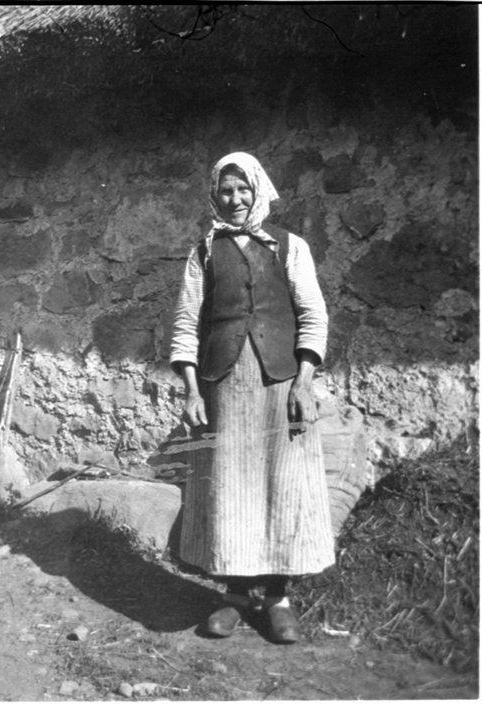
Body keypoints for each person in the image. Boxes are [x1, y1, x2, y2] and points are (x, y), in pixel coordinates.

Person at [169, 152, 334, 644]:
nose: (235, 199)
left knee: (282, 485)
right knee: (231, 487)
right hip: (225, 387)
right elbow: (185, 324)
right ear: (214, 196)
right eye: (226, 190)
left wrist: (303, 382)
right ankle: (237, 596)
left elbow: (313, 316)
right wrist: (191, 390)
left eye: (243, 189)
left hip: (281, 385)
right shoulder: (203, 252)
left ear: (259, 190)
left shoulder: (291, 246)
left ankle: (278, 597)